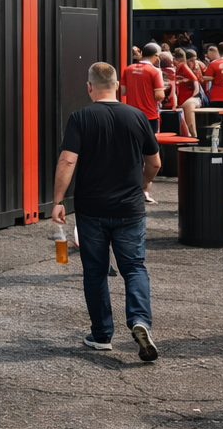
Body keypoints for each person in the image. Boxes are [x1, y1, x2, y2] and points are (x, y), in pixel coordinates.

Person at [51, 61, 162, 363]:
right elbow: (154, 162)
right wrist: (143, 184)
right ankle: (140, 320)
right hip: (130, 208)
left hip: (92, 210)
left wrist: (58, 200)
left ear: (89, 87)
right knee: (134, 267)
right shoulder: (137, 116)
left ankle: (101, 334)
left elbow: (67, 161)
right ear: (117, 86)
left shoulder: (81, 118)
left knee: (95, 272)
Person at [121, 43, 166, 132]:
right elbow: (160, 95)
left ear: (141, 53)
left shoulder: (127, 69)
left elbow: (123, 91)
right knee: (149, 144)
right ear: (156, 56)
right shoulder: (155, 71)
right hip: (149, 115)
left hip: (131, 115)